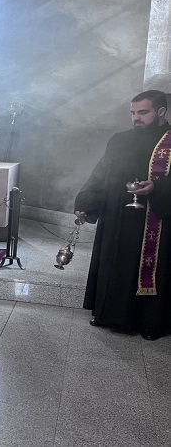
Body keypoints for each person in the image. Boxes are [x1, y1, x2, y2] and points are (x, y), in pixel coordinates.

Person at [75, 90, 171, 341]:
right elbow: (102, 173)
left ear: (161, 112)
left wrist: (158, 188)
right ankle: (108, 314)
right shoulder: (120, 140)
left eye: (143, 112)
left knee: (150, 268)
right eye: (133, 113)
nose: (136, 118)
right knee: (113, 262)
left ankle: (150, 322)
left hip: (156, 220)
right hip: (117, 217)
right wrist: (86, 201)